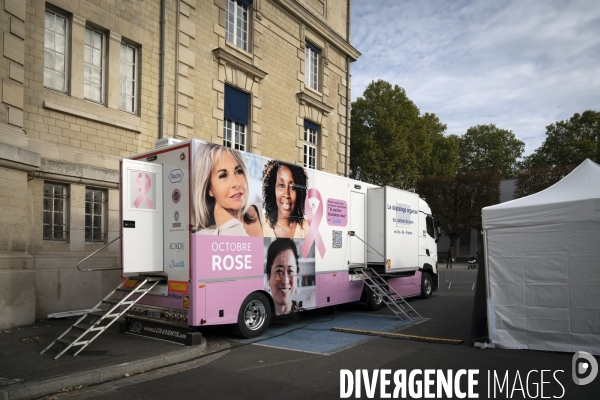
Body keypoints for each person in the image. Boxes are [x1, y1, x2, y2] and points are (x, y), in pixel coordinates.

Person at [192, 143, 262, 236]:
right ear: (209, 189)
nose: (236, 183)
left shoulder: (264, 212)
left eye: (239, 171)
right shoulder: (203, 235)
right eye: (223, 175)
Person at [262, 160, 308, 238]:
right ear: (273, 189)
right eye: (281, 185)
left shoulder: (307, 228)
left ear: (299, 193)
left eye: (292, 187)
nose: (286, 194)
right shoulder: (260, 224)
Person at [265, 238, 304, 315]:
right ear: (269, 277)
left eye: (290, 271)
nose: (285, 281)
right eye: (279, 271)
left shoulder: (305, 317)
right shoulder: (263, 315)